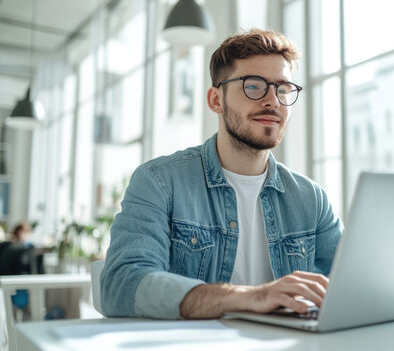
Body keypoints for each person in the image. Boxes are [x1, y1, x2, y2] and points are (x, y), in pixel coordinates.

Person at [101, 29, 343, 320]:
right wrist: (251, 297)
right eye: (254, 86)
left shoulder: (311, 198)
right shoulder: (159, 182)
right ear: (216, 100)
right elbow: (122, 285)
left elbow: (351, 286)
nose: (273, 100)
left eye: (283, 89)